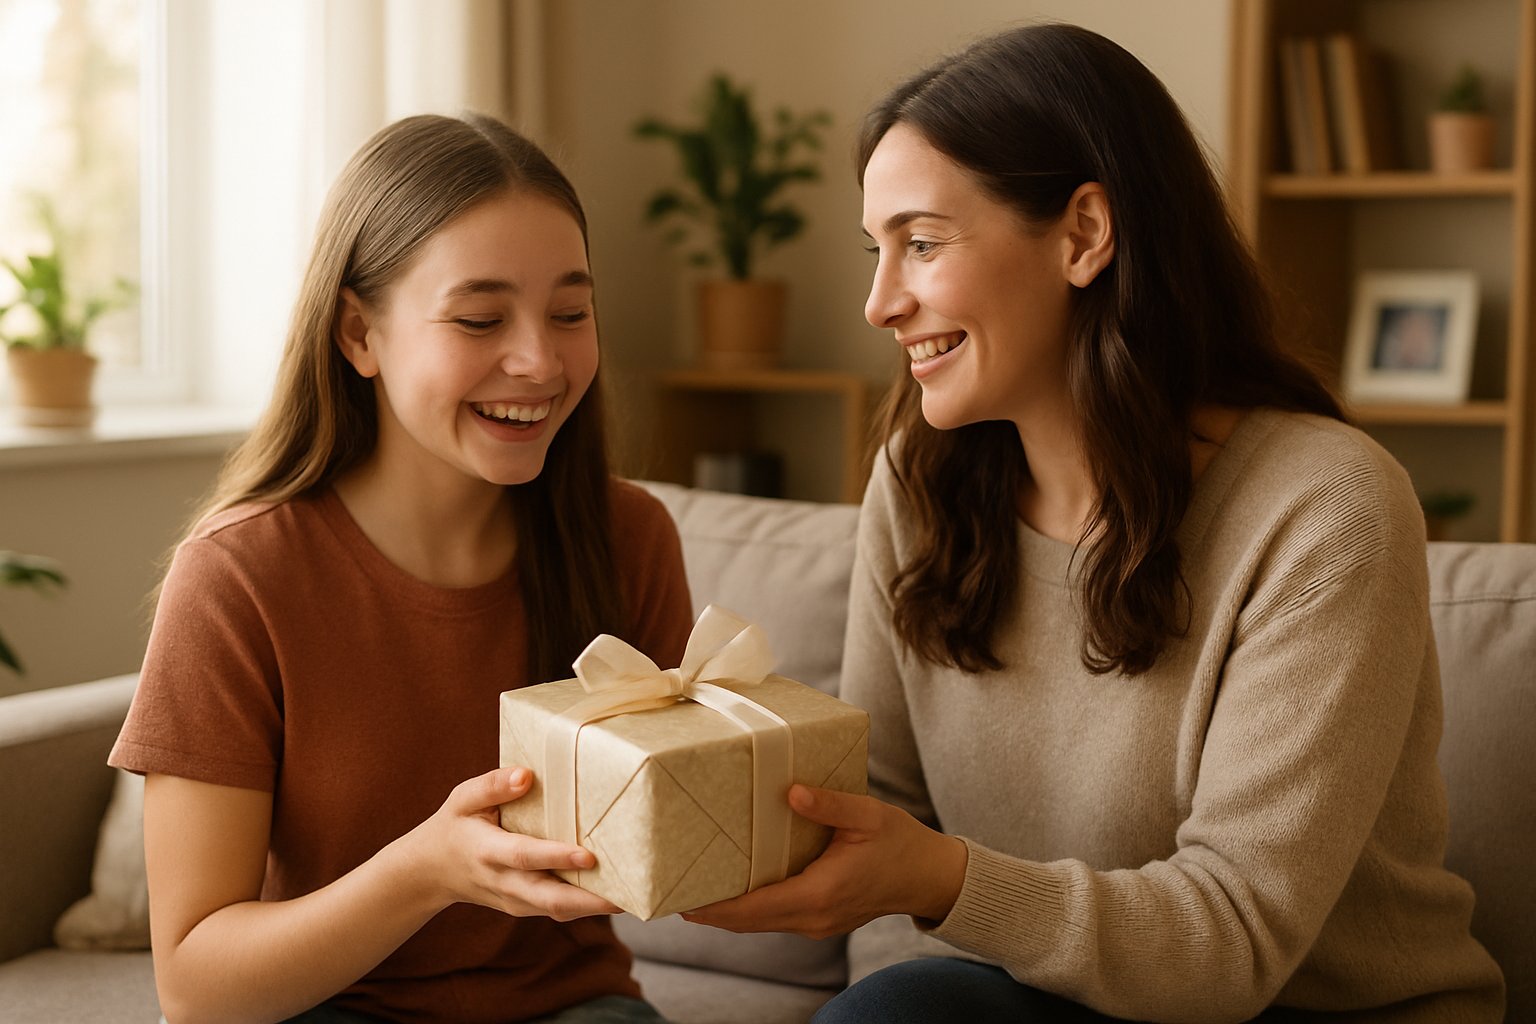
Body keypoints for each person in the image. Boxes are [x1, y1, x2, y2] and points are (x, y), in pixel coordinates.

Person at [683, 24, 1506, 1023]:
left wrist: (939, 881)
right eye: (878, 250)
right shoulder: (921, 479)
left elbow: (1235, 940)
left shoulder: (1325, 510)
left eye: (923, 243)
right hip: (1044, 999)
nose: (878, 302)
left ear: (1083, 234)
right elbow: (883, 819)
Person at [109, 113, 693, 1023]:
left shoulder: (631, 537)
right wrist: (425, 872)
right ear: (358, 336)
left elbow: (671, 837)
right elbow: (195, 988)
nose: (539, 359)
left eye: (571, 313)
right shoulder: (238, 577)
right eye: (479, 318)